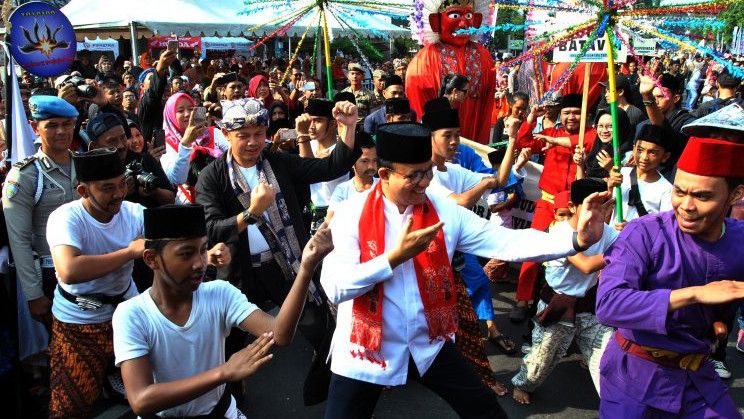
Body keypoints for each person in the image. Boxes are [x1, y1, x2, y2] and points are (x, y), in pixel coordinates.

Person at [320, 122, 611, 419]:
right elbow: (335, 286)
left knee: (485, 411)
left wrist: (576, 239)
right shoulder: (350, 215)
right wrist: (391, 259)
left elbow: (507, 242)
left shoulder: (444, 211)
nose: (425, 182)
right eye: (415, 175)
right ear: (384, 175)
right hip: (365, 348)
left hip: (428, 342)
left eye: (428, 171)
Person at [195, 98, 360, 405]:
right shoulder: (213, 176)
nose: (252, 142)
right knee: (229, 342)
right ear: (227, 135)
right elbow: (210, 228)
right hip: (241, 274)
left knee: (324, 333)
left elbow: (329, 166)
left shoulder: (277, 162)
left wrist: (348, 128)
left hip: (288, 264)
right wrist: (252, 213)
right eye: (243, 135)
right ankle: (230, 398)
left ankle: (331, 397)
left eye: (258, 133)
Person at [113, 204, 333, 418]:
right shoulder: (132, 314)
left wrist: (306, 269)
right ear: (152, 259)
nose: (200, 263)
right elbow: (141, 400)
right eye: (186, 254)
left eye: (202, 250)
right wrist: (224, 372)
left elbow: (280, 335)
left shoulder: (219, 294)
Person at [596, 137, 744, 418]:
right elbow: (609, 305)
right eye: (679, 191)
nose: (686, 206)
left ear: (735, 195)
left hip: (697, 378)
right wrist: (695, 294)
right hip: (634, 378)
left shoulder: (740, 238)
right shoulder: (644, 233)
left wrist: (718, 320)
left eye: (702, 196)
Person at [45, 149, 145, 418]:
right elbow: (69, 270)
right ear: (83, 190)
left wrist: (206, 253)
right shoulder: (65, 218)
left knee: (151, 391)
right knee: (70, 407)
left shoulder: (134, 213)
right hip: (79, 322)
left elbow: (171, 237)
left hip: (126, 311)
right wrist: (130, 252)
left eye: (122, 184)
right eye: (108, 188)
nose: (119, 194)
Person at [511, 178, 617, 405]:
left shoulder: (607, 231)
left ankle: (616, 405)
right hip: (557, 307)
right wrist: (624, 250)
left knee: (608, 360)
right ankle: (522, 384)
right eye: (591, 206)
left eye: (602, 204)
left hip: (590, 309)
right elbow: (586, 265)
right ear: (573, 207)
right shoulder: (560, 233)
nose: (596, 211)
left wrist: (631, 235)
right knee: (540, 364)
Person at [511, 93, 597, 322]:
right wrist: (530, 119)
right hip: (548, 203)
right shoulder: (551, 133)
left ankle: (567, 305)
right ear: (560, 114)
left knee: (574, 254)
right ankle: (523, 299)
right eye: (567, 112)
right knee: (533, 248)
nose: (571, 117)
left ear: (585, 115)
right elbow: (524, 143)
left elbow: (579, 143)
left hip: (574, 209)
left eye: (576, 112)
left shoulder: (591, 135)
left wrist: (552, 141)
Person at [2, 96, 79, 328]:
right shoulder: (25, 176)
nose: (61, 131)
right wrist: (33, 293)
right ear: (36, 128)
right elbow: (20, 240)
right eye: (52, 125)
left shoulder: (84, 165)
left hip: (91, 271)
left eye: (67, 124)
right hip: (50, 275)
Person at [405, 0, 496, 143]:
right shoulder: (423, 60)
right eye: (454, 16)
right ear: (436, 21)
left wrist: (481, 147)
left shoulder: (484, 57)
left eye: (468, 17)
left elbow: (486, 108)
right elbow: (418, 111)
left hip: (474, 147)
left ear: (477, 20)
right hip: (436, 148)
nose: (462, 24)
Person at [86, 113, 175, 208]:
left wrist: (154, 191)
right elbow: (91, 209)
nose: (120, 145)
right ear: (94, 147)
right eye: (112, 141)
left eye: (123, 137)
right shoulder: (90, 173)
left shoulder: (143, 160)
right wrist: (122, 192)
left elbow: (170, 199)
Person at [159, 92, 227, 203]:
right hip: (192, 207)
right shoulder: (167, 144)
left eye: (191, 109)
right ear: (170, 115)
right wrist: (186, 144)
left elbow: (237, 154)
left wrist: (223, 121)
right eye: (180, 111)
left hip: (222, 199)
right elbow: (177, 178)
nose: (187, 114)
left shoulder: (212, 133)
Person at [605, 124, 673, 230]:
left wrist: (633, 229)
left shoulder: (667, 190)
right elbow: (607, 213)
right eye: (640, 150)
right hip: (612, 242)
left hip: (638, 245)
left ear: (665, 156)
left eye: (652, 153)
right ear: (634, 149)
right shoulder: (621, 174)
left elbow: (665, 228)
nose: (644, 157)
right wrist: (610, 188)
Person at [637, 73, 696, 180]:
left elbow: (663, 130)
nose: (655, 101)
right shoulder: (643, 125)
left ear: (676, 98)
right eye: (652, 97)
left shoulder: (687, 124)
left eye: (660, 96)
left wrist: (647, 96)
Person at [326, 131, 378, 220]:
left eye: (374, 161)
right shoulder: (343, 190)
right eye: (365, 161)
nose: (371, 166)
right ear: (352, 162)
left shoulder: (384, 186)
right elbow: (329, 220)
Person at [581, 107, 634, 180]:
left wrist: (611, 169)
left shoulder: (629, 157)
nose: (604, 131)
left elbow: (627, 186)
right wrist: (580, 164)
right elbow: (581, 182)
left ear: (621, 127)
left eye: (610, 126)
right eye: (600, 126)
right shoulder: (596, 151)